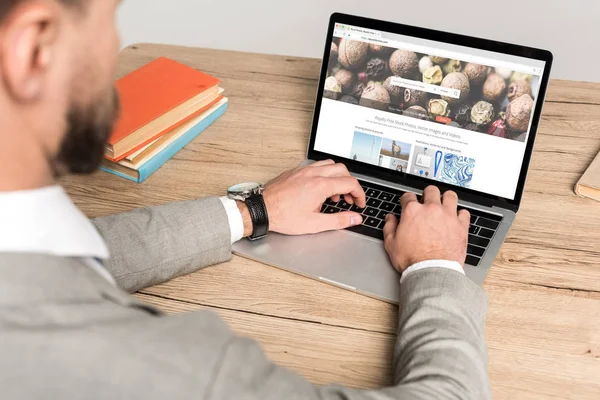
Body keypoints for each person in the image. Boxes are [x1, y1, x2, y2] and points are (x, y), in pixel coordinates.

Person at [0, 1, 490, 399]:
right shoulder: (163, 368)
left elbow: (60, 263)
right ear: (32, 46)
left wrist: (252, 211)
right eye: (108, 17)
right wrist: (435, 266)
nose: (113, 49)